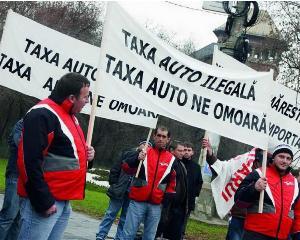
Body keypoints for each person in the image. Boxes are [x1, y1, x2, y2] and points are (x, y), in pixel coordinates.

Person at [17, 72, 95, 240]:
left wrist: (89, 156)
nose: (87, 101)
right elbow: (28, 161)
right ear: (72, 98)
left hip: (62, 200)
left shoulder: (71, 117)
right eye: (86, 97)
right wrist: (43, 200)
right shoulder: (42, 114)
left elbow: (67, 155)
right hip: (46, 201)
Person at [121, 126, 176, 240]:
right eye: (159, 135)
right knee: (128, 234)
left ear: (168, 139)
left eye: (164, 136)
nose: (161, 139)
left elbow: (172, 185)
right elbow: (126, 167)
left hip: (156, 205)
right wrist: (137, 158)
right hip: (137, 201)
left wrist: (165, 204)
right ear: (154, 136)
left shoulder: (171, 159)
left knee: (149, 237)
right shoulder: (145, 152)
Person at [202, 138, 263, 240]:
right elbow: (224, 168)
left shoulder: (277, 168)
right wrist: (210, 154)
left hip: (260, 220)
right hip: (240, 215)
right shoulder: (245, 159)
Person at [235, 144, 298, 240]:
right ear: (273, 158)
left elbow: (297, 211)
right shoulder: (258, 174)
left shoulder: (295, 182)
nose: (284, 161)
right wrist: (254, 188)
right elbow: (239, 202)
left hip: (283, 237)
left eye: (288, 158)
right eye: (281, 156)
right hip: (255, 234)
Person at [96, 140, 152, 240]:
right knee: (110, 214)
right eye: (144, 144)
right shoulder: (127, 153)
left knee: (125, 219)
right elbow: (116, 168)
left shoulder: (148, 161)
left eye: (148, 146)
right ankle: (100, 236)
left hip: (132, 193)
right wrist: (114, 183)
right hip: (119, 189)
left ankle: (119, 238)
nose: (145, 147)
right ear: (139, 145)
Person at [156, 141, 188, 240]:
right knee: (159, 228)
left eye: (183, 151)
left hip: (177, 206)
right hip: (166, 202)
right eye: (180, 151)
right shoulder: (168, 162)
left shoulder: (181, 164)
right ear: (172, 150)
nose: (182, 153)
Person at [0, 119, 23, 240]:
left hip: (27, 179)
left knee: (18, 219)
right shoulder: (22, 124)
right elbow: (22, 146)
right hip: (16, 176)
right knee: (8, 216)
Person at [181, 142, 203, 237]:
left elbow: (199, 182)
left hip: (188, 200)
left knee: (183, 224)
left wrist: (195, 195)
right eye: (184, 150)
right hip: (175, 199)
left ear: (192, 152)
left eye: (189, 150)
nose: (186, 152)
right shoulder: (177, 162)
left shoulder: (196, 167)